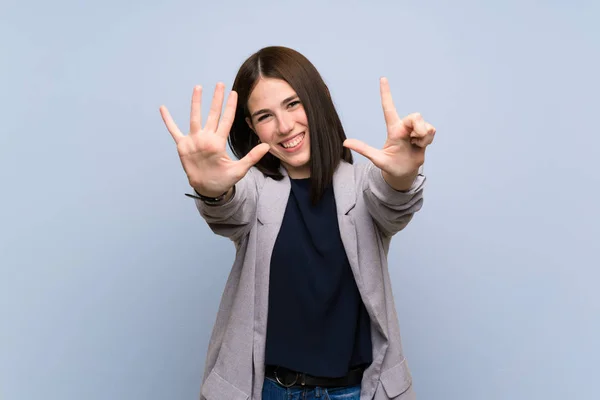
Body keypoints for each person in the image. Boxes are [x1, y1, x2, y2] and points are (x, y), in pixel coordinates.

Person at [159, 46, 436, 400]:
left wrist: (404, 175)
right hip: (268, 390)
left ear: (317, 99)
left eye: (292, 104)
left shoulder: (363, 184)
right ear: (251, 128)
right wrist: (212, 192)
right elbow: (229, 211)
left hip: (354, 392)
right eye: (264, 116)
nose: (284, 126)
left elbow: (392, 202)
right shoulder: (253, 189)